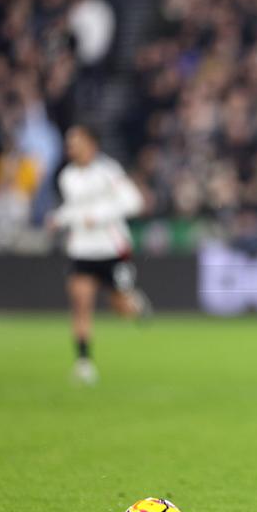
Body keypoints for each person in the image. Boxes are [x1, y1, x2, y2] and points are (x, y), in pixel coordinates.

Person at [47, 124, 150, 385]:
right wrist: (57, 219)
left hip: (111, 248)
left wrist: (100, 216)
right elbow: (73, 209)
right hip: (82, 249)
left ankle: (135, 306)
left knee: (120, 307)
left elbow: (134, 201)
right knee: (81, 303)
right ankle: (84, 363)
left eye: (76, 140)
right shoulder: (67, 176)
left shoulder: (108, 171)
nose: (71, 146)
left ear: (91, 144)